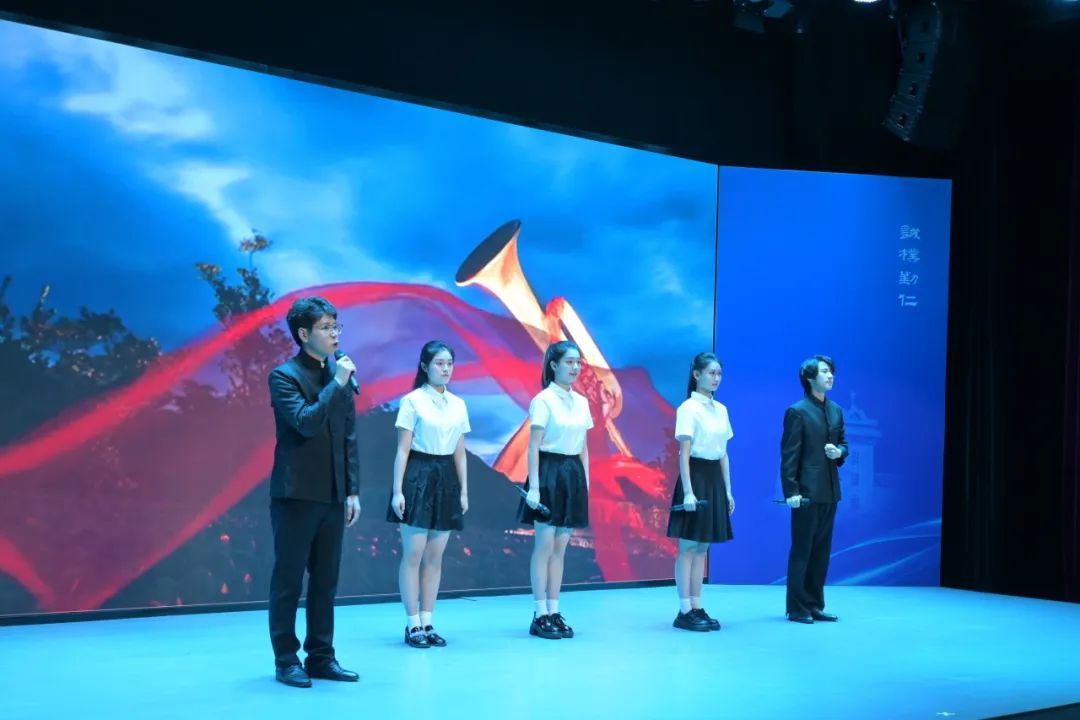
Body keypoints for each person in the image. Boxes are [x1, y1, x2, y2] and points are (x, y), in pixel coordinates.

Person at [267, 296, 361, 687]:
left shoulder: (339, 376)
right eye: (326, 327)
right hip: (295, 494)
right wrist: (336, 384)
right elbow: (305, 423)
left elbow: (348, 436)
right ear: (304, 334)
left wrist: (352, 490)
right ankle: (286, 660)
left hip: (333, 494)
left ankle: (321, 656)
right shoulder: (284, 376)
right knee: (289, 581)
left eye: (336, 326)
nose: (335, 333)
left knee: (326, 582)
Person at [387, 341, 470, 648]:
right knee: (413, 555)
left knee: (435, 557)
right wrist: (397, 491)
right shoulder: (412, 401)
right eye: (439, 363)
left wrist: (464, 491)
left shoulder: (459, 404)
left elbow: (460, 453)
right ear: (424, 366)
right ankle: (412, 625)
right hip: (418, 477)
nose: (445, 369)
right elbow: (402, 450)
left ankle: (428, 620)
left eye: (449, 363)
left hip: (446, 478)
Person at [517, 341, 593, 640]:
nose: (575, 368)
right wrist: (535, 487)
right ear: (554, 365)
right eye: (569, 362)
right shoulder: (543, 400)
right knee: (545, 546)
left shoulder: (582, 402)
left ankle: (554, 609)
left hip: (572, 473)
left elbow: (583, 446)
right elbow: (533, 446)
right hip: (548, 472)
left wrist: (585, 481)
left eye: (578, 362)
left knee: (560, 547)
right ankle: (540, 614)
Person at [667, 352, 735, 632]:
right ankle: (684, 609)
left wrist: (728, 491)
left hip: (714, 478)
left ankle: (697, 605)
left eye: (719, 373)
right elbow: (683, 454)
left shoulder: (721, 409)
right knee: (688, 547)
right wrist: (688, 492)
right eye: (711, 373)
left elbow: (723, 454)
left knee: (703, 546)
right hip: (694, 476)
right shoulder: (688, 408)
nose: (716, 378)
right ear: (697, 375)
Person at [780, 355, 848, 624]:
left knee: (821, 552)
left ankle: (815, 604)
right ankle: (797, 608)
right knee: (802, 551)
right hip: (806, 494)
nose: (830, 375)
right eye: (824, 371)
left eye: (832, 371)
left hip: (830, 491)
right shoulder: (797, 411)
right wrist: (791, 492)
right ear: (809, 378)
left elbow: (844, 444)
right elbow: (789, 456)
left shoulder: (836, 410)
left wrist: (839, 451)